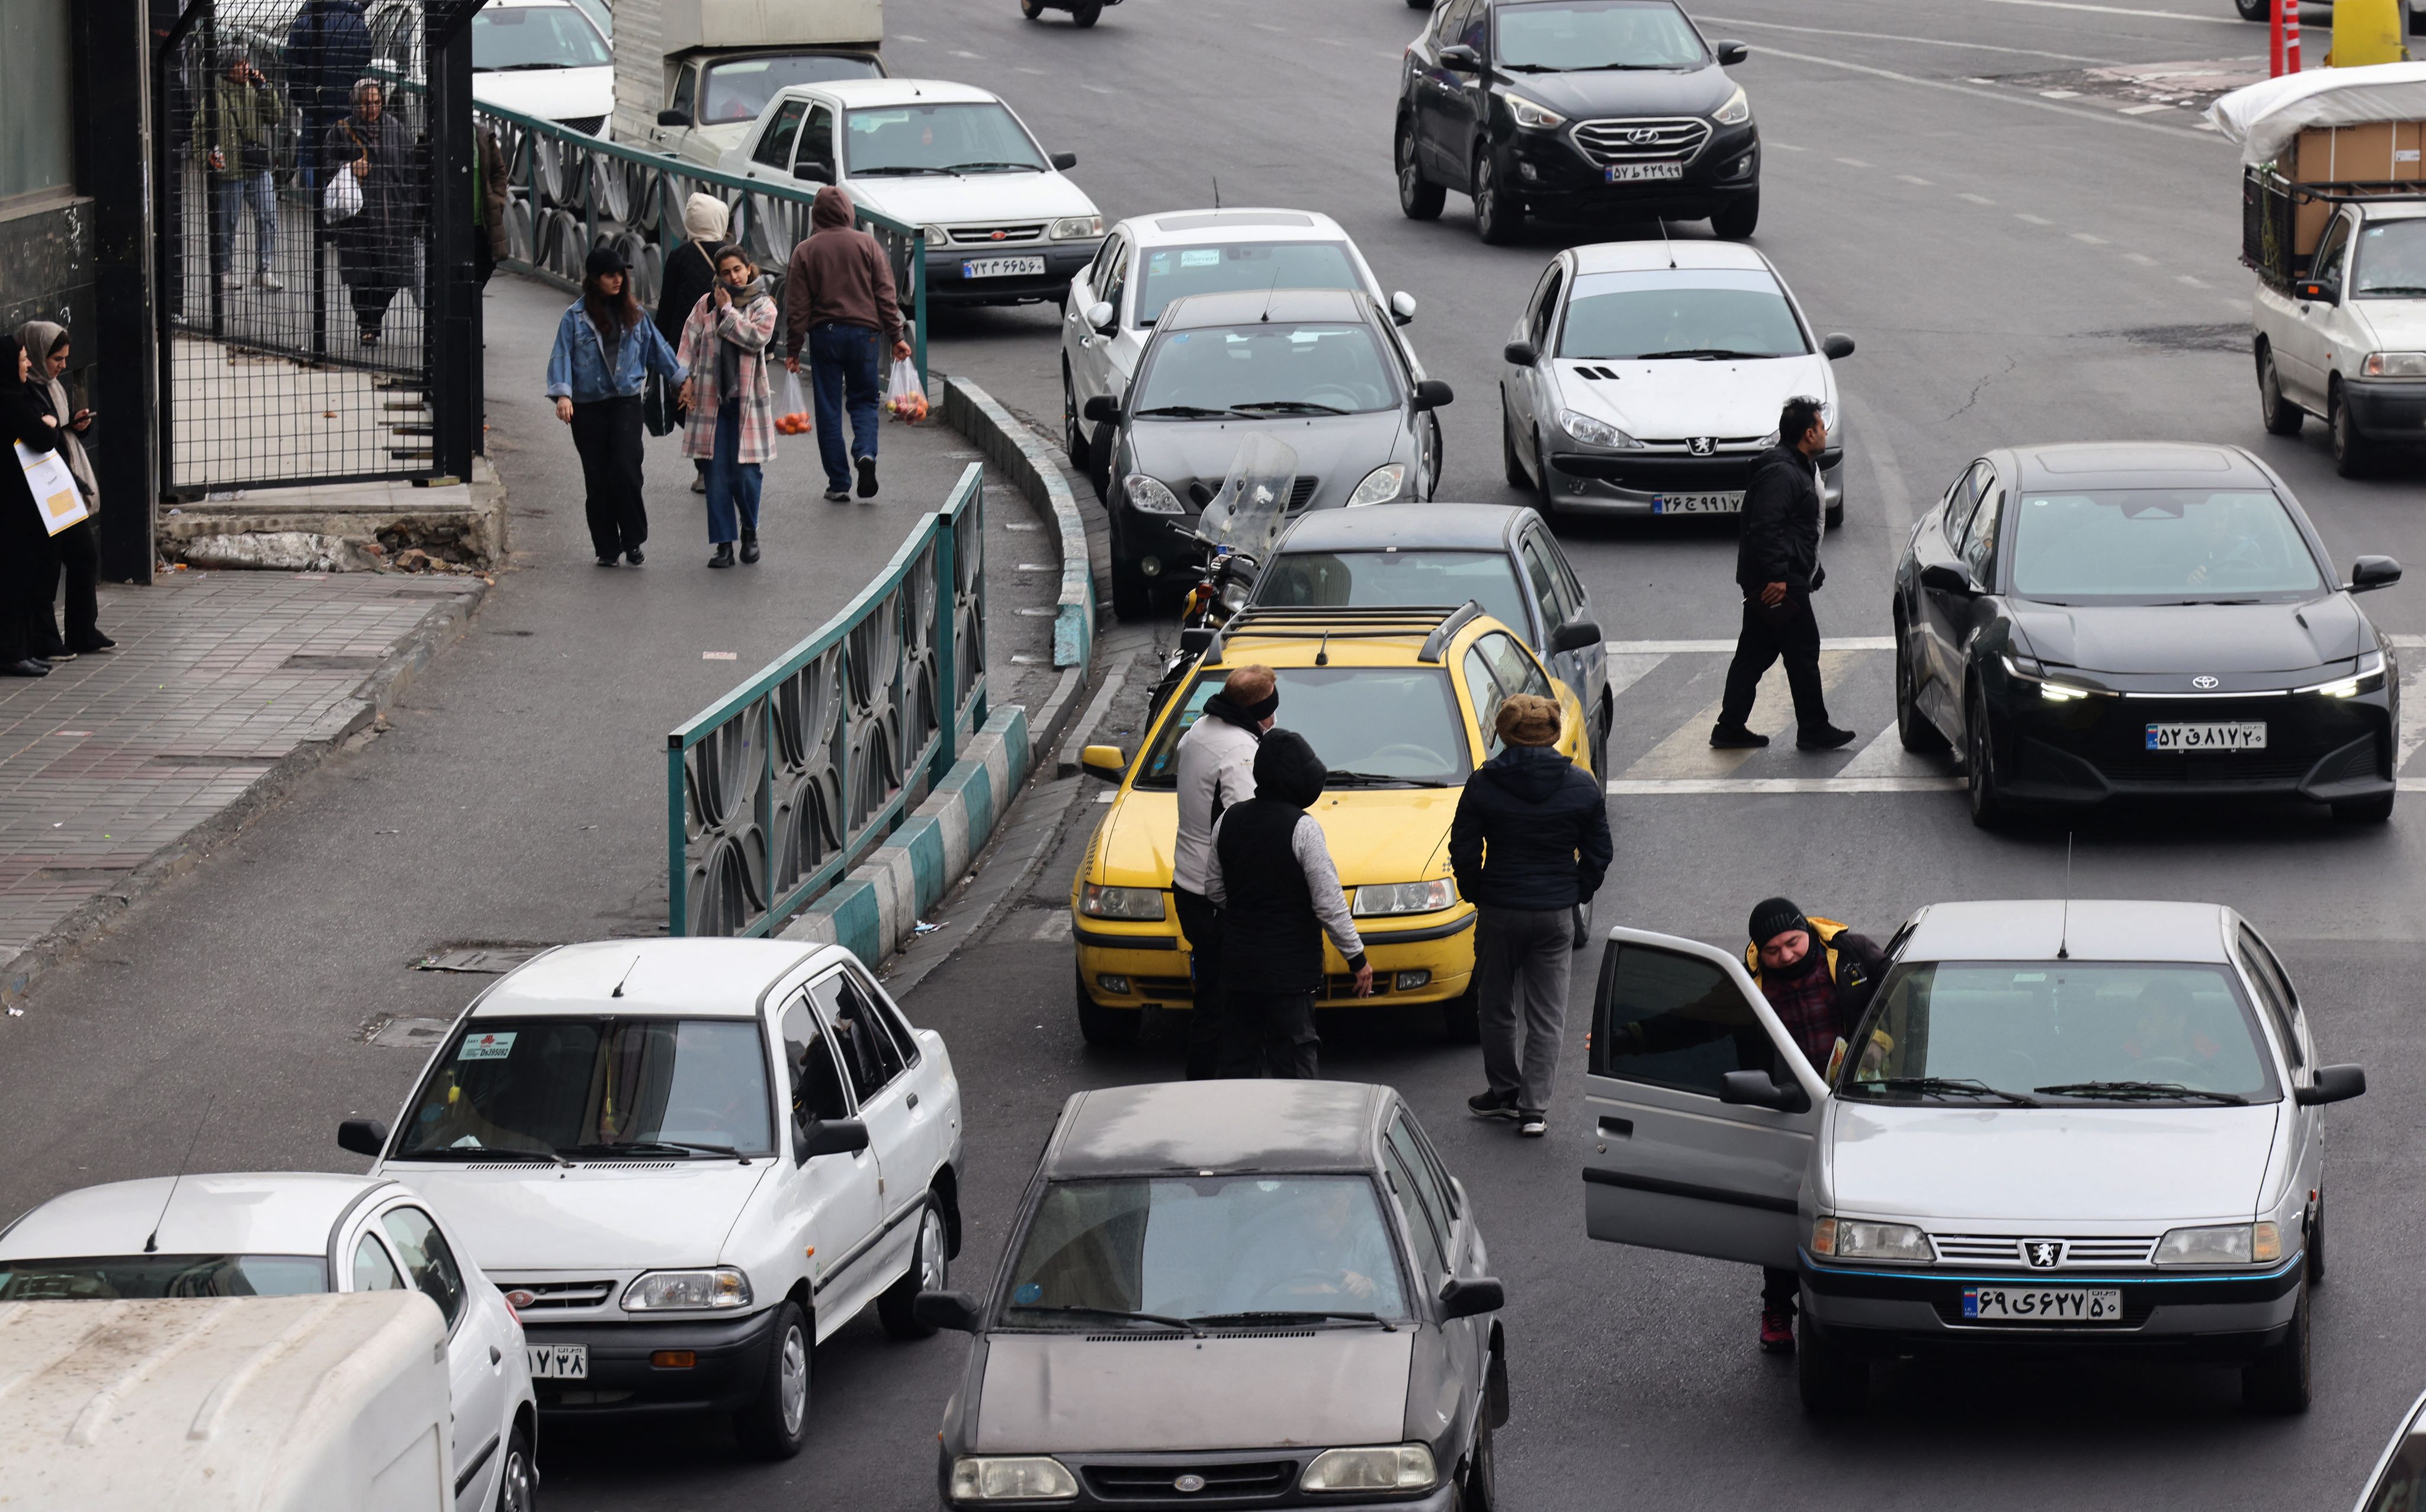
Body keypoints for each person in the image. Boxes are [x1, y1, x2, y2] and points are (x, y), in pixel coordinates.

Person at [1451, 694, 1612, 1138]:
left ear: (1503, 732)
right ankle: (1534, 1107)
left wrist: (1478, 891)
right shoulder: (1581, 785)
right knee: (1548, 1013)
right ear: (1555, 733)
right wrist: (1574, 891)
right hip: (1556, 911)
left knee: (1495, 1004)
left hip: (1501, 907)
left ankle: (1503, 1089)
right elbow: (1600, 852)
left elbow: (1463, 849)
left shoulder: (1483, 784)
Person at [1741, 896, 1886, 1354]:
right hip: (1792, 1108)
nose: (1785, 955)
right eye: (1773, 950)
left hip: (1861, 1103)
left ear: (1806, 930)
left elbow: (1904, 996)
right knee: (1789, 1209)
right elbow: (1695, 1023)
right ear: (1758, 952)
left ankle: (1871, 1302)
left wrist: (1881, 1041)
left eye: (1793, 942)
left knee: (1866, 1209)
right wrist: (1628, 1036)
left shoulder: (1853, 955)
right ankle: (1778, 1309)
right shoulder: (1747, 983)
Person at [1204, 728, 1373, 1078]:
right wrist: (1357, 960)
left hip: (1238, 967)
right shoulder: (1304, 829)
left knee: (1239, 1061)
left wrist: (1248, 907)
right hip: (1290, 973)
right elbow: (1328, 904)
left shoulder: (1227, 820)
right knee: (1294, 1066)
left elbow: (1214, 890)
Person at [1713, 395, 1854, 753]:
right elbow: (1766, 526)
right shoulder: (1783, 472)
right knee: (1803, 650)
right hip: (1777, 583)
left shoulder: (1798, 465)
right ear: (1809, 434)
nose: (1825, 433)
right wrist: (1779, 576)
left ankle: (1730, 727)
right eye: (1822, 427)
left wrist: (1811, 569)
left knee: (1756, 652)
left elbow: (1799, 527)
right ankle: (1813, 728)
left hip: (1785, 576)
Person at [546, 244, 685, 567]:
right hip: (587, 406)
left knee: (626, 469)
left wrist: (682, 379)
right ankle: (606, 547)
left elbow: (658, 349)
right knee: (597, 479)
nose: (618, 280)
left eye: (621, 274)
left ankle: (633, 540)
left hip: (625, 402)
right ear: (595, 280)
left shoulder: (634, 314)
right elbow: (561, 355)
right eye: (611, 275)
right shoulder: (574, 317)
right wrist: (563, 395)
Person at [1170, 664, 1278, 1080]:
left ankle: (1202, 1084)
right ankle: (1221, 1092)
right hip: (1218, 897)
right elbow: (1247, 825)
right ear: (1259, 710)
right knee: (1230, 1005)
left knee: (1210, 999)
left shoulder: (1198, 730)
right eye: (1271, 708)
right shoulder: (1240, 753)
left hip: (1187, 884)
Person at [781, 185, 910, 503]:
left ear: (816, 215)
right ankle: (866, 454)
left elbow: (797, 306)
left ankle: (839, 482)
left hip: (825, 335)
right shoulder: (868, 245)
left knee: (828, 407)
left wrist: (793, 348)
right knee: (864, 402)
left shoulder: (805, 251)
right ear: (848, 213)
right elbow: (886, 296)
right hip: (865, 334)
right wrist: (897, 337)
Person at [678, 244, 779, 570]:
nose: (733, 276)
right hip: (712, 401)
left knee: (747, 475)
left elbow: (755, 339)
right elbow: (687, 344)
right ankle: (724, 544)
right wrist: (685, 379)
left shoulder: (764, 305)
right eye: (726, 272)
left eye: (738, 269)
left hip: (748, 401)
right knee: (716, 475)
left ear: (749, 269)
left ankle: (749, 530)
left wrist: (728, 312)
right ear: (718, 276)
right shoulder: (705, 304)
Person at [15, 322, 110, 660]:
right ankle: (45, 638)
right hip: (40, 487)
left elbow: (55, 429)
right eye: (57, 358)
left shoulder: (51, 386)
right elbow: (37, 434)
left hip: (60, 482)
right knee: (47, 564)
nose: (62, 366)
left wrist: (74, 425)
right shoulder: (22, 389)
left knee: (84, 556)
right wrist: (52, 428)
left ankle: (83, 631)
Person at [325, 79, 418, 348]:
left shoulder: (396, 129)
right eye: (366, 103)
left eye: (376, 102)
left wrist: (411, 205)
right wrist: (349, 167)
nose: (372, 107)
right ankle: (368, 324)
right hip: (358, 216)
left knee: (392, 275)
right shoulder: (340, 131)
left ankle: (374, 316)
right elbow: (325, 165)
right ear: (355, 104)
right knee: (361, 275)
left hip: (394, 214)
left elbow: (410, 168)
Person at [655, 193, 731, 496]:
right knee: (724, 402)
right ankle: (721, 461)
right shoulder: (733, 256)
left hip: (685, 342)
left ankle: (704, 468)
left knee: (690, 405)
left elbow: (667, 304)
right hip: (726, 340)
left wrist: (658, 347)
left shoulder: (680, 256)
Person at [1, 331, 65, 678]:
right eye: (23, 359)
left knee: (25, 575)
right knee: (15, 577)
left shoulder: (17, 392)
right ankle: (12, 652)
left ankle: (22, 649)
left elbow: (44, 416)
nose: (27, 363)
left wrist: (47, 422)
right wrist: (48, 425)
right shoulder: (8, 400)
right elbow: (43, 436)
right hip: (12, 505)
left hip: (21, 502)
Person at [194, 51, 286, 294]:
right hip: (230, 172)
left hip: (256, 167)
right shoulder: (214, 99)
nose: (245, 68)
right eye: (239, 64)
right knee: (227, 223)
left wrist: (265, 88)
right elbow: (199, 132)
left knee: (268, 217)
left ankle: (264, 270)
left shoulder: (255, 91)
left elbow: (276, 115)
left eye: (246, 63)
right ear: (227, 69)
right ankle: (224, 272)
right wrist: (207, 157)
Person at [284, 0, 372, 190]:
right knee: (345, 158)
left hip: (316, 108)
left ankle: (321, 207)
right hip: (349, 109)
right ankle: (342, 205)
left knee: (311, 160)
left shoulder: (304, 24)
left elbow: (292, 70)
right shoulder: (359, 25)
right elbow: (365, 64)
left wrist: (302, 101)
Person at [474, 123, 508, 288]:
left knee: (485, 267)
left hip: (481, 224)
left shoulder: (484, 136)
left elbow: (499, 173)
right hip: (450, 230)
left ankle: (471, 311)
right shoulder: (435, 135)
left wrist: (497, 201)